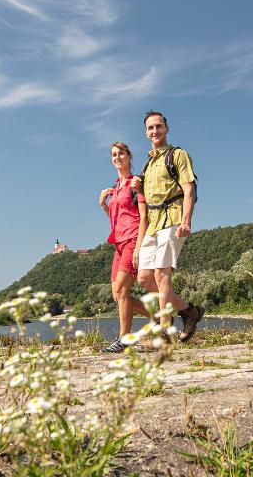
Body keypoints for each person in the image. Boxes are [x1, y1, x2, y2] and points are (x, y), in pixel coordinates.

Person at [134, 110, 205, 343]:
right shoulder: (148, 164)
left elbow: (189, 189)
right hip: (153, 225)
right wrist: (138, 186)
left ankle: (165, 329)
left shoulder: (177, 155)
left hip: (173, 219)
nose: (155, 131)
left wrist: (186, 220)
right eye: (150, 128)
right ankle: (189, 311)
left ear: (167, 128)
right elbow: (144, 200)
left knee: (161, 274)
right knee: (145, 278)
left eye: (159, 126)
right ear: (146, 133)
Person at [98, 141, 151, 353]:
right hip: (118, 243)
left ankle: (124, 338)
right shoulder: (115, 187)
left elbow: (144, 216)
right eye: (113, 155)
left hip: (133, 239)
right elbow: (117, 219)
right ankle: (159, 317)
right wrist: (104, 205)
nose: (117, 157)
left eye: (121, 154)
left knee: (122, 289)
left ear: (129, 157)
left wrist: (139, 247)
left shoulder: (135, 183)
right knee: (117, 295)